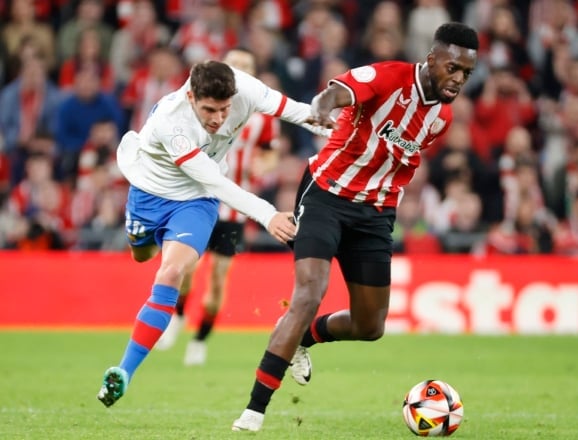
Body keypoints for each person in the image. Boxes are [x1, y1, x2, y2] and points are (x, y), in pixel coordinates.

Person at [231, 21, 479, 432]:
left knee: (370, 326)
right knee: (309, 293)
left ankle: (302, 338)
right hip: (326, 195)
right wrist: (324, 105)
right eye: (452, 68)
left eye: (466, 74)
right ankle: (254, 410)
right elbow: (340, 90)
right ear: (431, 58)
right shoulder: (389, 76)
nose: (457, 80)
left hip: (375, 214)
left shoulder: (441, 119)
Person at [96, 59, 327, 408]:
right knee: (141, 254)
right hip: (150, 194)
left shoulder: (245, 89)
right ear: (191, 97)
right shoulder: (170, 123)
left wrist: (338, 127)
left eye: (224, 109)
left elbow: (296, 111)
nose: (219, 119)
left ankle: (124, 371)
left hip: (195, 201)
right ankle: (150, 250)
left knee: (172, 271)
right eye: (209, 110)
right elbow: (217, 180)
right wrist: (267, 214)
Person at [153, 47, 282, 366]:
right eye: (234, 65)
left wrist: (264, 165)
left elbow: (270, 152)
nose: (240, 70)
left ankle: (200, 339)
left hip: (233, 208)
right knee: (185, 270)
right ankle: (178, 315)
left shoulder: (260, 115)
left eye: (246, 66)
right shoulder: (202, 106)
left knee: (218, 279)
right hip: (197, 199)